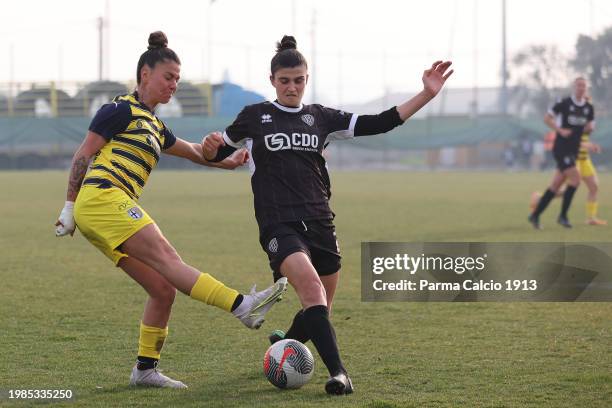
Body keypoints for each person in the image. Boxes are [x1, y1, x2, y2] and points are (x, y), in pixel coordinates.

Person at [202, 35, 453, 395]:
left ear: (307, 79)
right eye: (284, 80)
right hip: (279, 224)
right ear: (272, 80)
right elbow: (215, 153)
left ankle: (282, 346)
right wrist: (212, 149)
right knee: (311, 289)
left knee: (319, 308)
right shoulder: (255, 117)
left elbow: (380, 122)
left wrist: (427, 94)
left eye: (298, 80)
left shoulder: (319, 117)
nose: (292, 86)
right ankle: (339, 373)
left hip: (320, 222)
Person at [54, 31, 287, 389]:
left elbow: (195, 151)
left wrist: (230, 160)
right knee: (167, 257)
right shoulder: (118, 110)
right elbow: (83, 154)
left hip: (108, 208)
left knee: (163, 288)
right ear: (145, 74)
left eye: (178, 78)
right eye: (169, 76)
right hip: (103, 198)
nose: (174, 84)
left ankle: (145, 370)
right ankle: (243, 306)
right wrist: (69, 205)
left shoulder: (154, 125)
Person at [528, 77, 594, 229]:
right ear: (574, 87)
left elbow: (589, 125)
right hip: (561, 148)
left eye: (583, 86)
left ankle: (535, 215)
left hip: (573, 150)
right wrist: (559, 130)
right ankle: (563, 216)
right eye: (578, 85)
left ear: (586, 88)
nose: (581, 88)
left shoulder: (588, 108)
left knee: (555, 186)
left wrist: (587, 130)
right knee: (576, 179)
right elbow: (547, 118)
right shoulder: (564, 103)